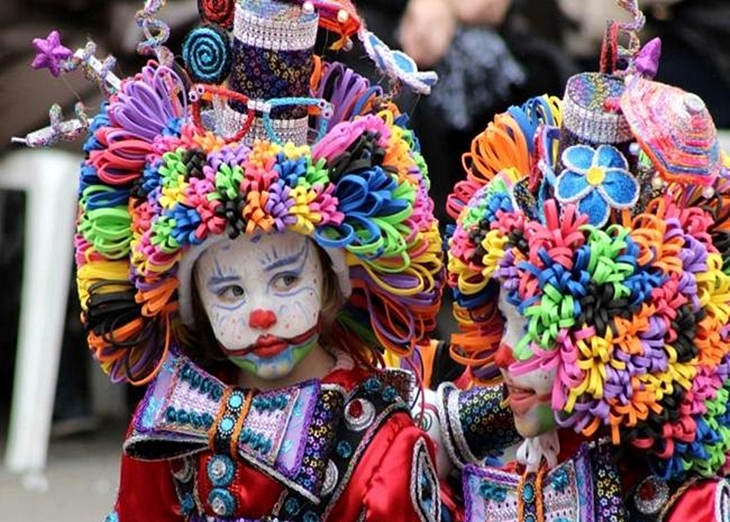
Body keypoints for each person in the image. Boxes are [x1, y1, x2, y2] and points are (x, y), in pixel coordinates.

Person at [18, 0, 454, 520]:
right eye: (229, 291)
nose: (261, 313)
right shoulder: (169, 422)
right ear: (192, 302)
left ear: (335, 280)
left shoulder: (377, 437)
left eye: (287, 277)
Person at [445, 1, 730, 520]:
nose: (504, 354)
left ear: (614, 336)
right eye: (508, 321)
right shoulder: (472, 423)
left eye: (536, 327)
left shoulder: (686, 503)